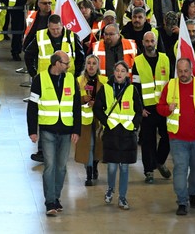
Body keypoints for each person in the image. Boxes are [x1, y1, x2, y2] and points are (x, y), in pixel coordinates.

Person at [157, 57, 195, 216]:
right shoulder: (170, 86)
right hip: (177, 139)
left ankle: (193, 194)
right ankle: (182, 201)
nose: (183, 74)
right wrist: (168, 109)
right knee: (180, 169)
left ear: (191, 70)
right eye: (180, 71)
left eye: (186, 71)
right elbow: (160, 108)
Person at [27, 51, 81, 217]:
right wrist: (32, 130)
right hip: (48, 130)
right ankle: (50, 201)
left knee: (61, 167)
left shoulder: (71, 79)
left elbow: (76, 106)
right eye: (66, 63)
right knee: (50, 166)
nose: (69, 66)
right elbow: (32, 106)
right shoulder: (39, 79)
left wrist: (76, 130)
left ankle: (56, 197)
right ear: (57, 63)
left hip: (66, 130)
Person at [94, 61, 143, 211]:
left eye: (123, 71)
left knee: (125, 168)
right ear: (113, 72)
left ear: (127, 73)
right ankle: (110, 189)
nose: (120, 73)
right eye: (117, 70)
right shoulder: (106, 88)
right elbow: (97, 108)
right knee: (112, 168)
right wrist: (106, 122)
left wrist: (134, 125)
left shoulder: (132, 90)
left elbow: (139, 110)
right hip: (112, 133)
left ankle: (122, 197)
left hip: (127, 134)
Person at [132, 30, 172, 183]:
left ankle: (159, 161)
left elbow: (171, 82)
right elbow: (135, 87)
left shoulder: (165, 59)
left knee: (167, 136)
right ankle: (149, 171)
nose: (149, 44)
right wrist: (139, 108)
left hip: (163, 106)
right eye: (147, 41)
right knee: (148, 141)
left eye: (152, 41)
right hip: (147, 109)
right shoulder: (137, 61)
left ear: (156, 42)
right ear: (143, 43)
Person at [74, 55, 106, 187]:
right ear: (85, 65)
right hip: (84, 120)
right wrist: (83, 99)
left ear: (98, 66)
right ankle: (89, 173)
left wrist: (97, 103)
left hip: (99, 120)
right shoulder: (79, 81)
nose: (91, 66)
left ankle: (95, 165)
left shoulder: (104, 81)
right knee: (89, 146)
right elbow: (74, 100)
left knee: (98, 146)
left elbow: (108, 100)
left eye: (94, 63)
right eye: (89, 63)